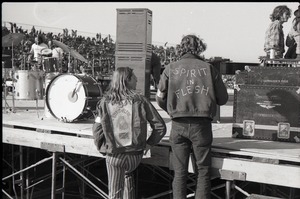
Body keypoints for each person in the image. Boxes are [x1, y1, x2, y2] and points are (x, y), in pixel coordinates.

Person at [156, 34, 228, 199]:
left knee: (179, 172)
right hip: (202, 126)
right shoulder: (209, 69)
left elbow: (160, 97)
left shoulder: (170, 68)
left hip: (178, 125)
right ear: (200, 48)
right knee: (203, 171)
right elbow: (223, 99)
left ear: (181, 48)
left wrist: (171, 110)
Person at [92, 67, 166, 199]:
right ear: (127, 80)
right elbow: (160, 127)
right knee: (127, 176)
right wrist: (149, 144)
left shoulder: (104, 102)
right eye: (134, 77)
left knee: (114, 193)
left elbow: (97, 129)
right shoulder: (141, 100)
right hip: (135, 156)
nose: (137, 79)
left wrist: (102, 148)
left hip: (114, 155)